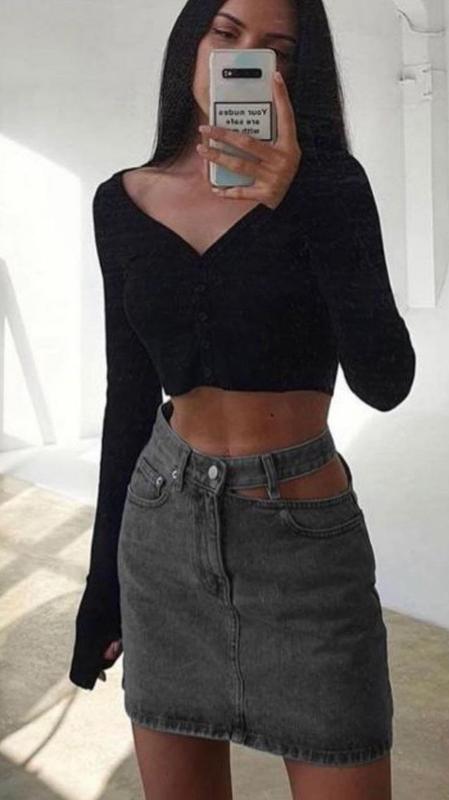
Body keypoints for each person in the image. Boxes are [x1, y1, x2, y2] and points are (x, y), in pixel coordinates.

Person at [69, 0, 416, 797]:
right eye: (226, 34)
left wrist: (296, 197)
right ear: (191, 43)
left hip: (303, 546)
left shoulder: (331, 187)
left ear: (295, 75)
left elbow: (386, 380)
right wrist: (102, 588)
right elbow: (129, 402)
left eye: (276, 50)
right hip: (163, 537)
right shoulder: (122, 202)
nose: (243, 57)